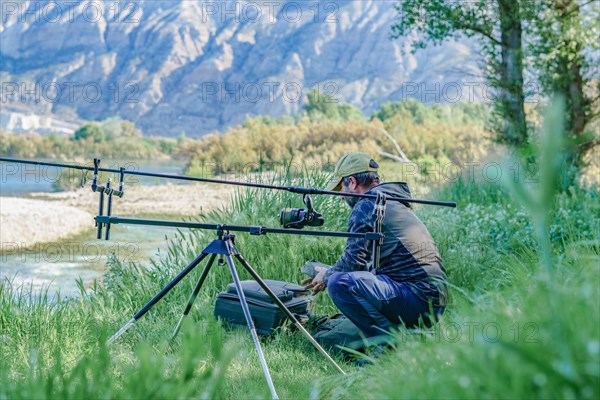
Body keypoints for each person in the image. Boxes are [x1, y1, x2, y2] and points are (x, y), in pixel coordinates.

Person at [303, 152, 447, 338]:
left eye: (341, 187)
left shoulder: (367, 204)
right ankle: (402, 338)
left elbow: (352, 262)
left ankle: (384, 346)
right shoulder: (389, 201)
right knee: (339, 278)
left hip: (418, 300)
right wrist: (329, 272)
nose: (340, 196)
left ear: (353, 183)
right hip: (432, 301)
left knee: (338, 283)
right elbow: (362, 265)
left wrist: (327, 276)